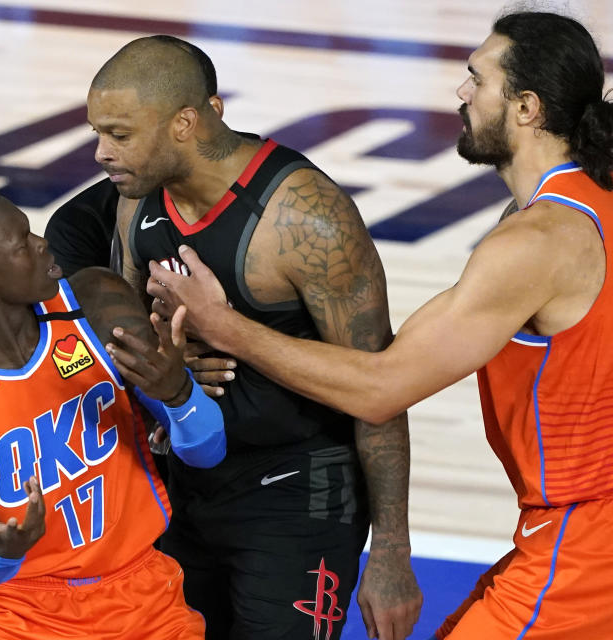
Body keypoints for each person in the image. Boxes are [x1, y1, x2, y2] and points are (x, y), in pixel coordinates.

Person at [137, 12, 613, 640]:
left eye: (477, 78)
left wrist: (223, 326)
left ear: (525, 107)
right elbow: (401, 359)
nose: (462, 93)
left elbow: (383, 387)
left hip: (585, 539)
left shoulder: (538, 241)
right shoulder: (586, 201)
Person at [88, 35, 422, 640]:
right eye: (98, 133)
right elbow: (121, 330)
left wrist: (392, 552)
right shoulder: (134, 203)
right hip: (182, 482)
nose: (101, 153)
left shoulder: (305, 218)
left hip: (297, 495)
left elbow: (380, 388)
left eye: (118, 134)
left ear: (184, 122)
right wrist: (164, 356)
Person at [0, 188, 227, 639]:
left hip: (144, 593)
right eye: (22, 241)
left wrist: (179, 395)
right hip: (20, 612)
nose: (42, 242)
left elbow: (207, 452)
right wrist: (3, 553)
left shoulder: (97, 305)